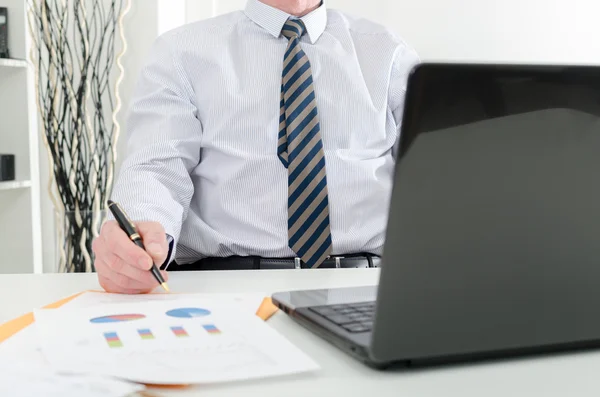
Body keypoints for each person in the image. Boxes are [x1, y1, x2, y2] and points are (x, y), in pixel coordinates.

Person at [92, 0, 420, 294]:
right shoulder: (181, 51)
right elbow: (157, 167)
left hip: (371, 285)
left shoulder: (389, 52)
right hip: (227, 288)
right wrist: (143, 236)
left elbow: (433, 175)